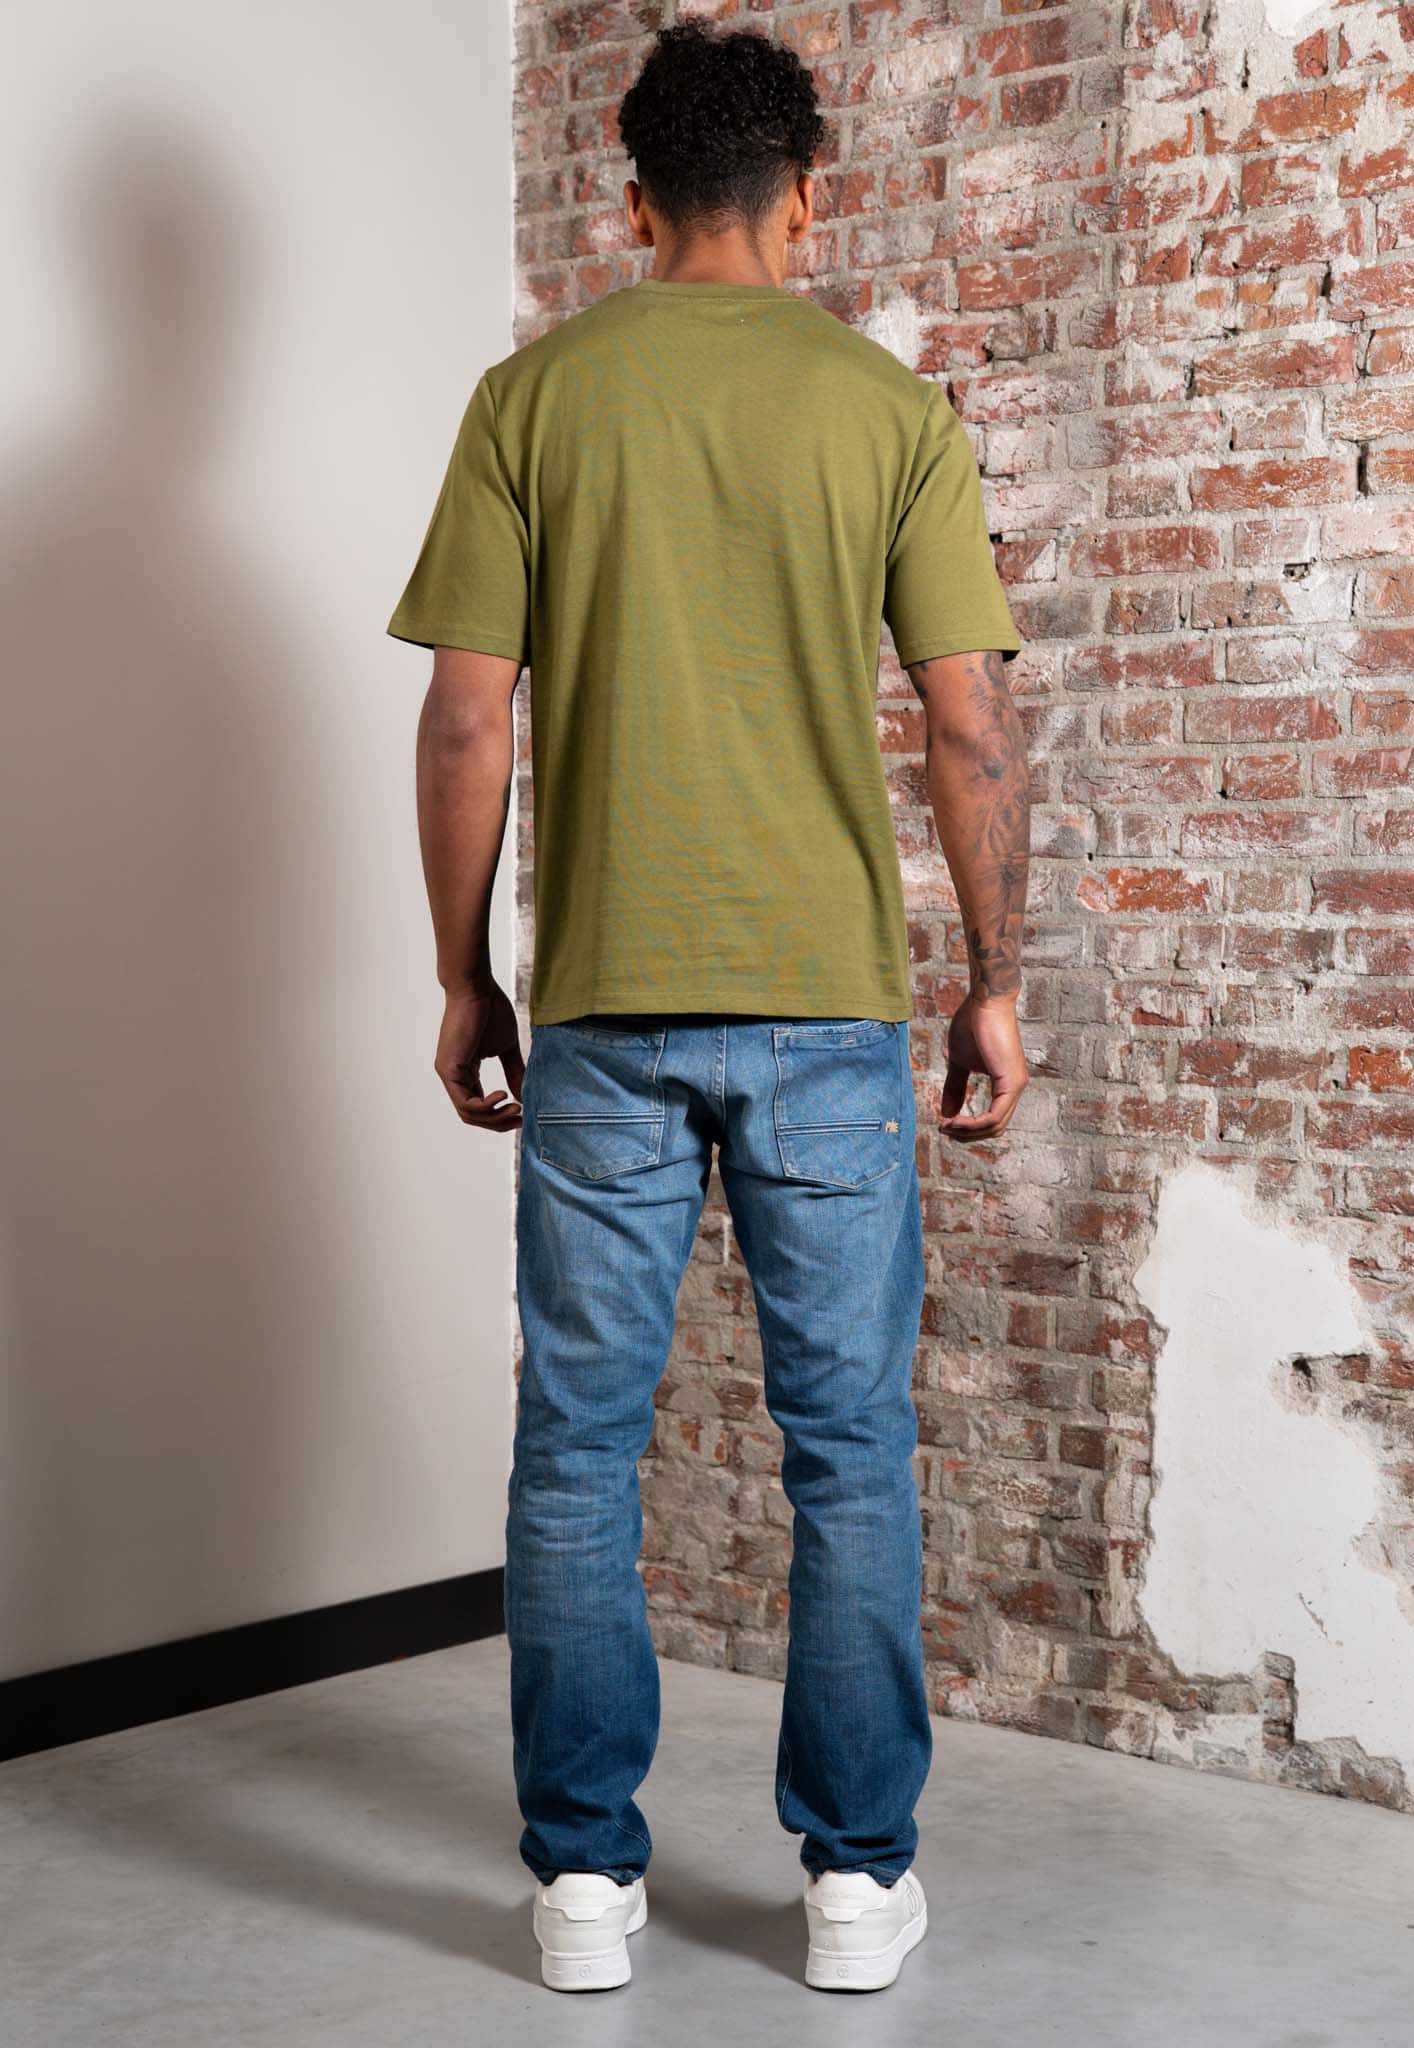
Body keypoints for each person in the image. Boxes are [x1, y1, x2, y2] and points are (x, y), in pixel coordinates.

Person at [387, 18, 1029, 1997]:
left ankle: (585, 1886)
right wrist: (996, 982)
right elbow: (969, 727)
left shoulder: (534, 397)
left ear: (631, 195)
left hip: (601, 1003)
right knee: (846, 1449)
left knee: (579, 1446)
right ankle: (851, 1880)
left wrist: (462, 972)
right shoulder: (885, 411)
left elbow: (467, 717)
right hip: (825, 1008)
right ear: (805, 197)